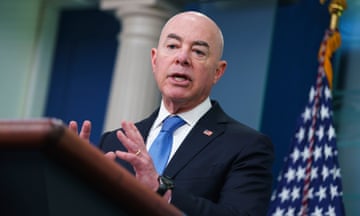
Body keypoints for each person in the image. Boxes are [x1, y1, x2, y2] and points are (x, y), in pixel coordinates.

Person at [70, 11, 274, 216]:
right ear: (154, 60)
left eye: (198, 52)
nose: (182, 58)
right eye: (173, 46)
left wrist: (163, 192)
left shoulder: (245, 146)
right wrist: (70, 186)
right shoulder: (113, 143)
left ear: (217, 72)